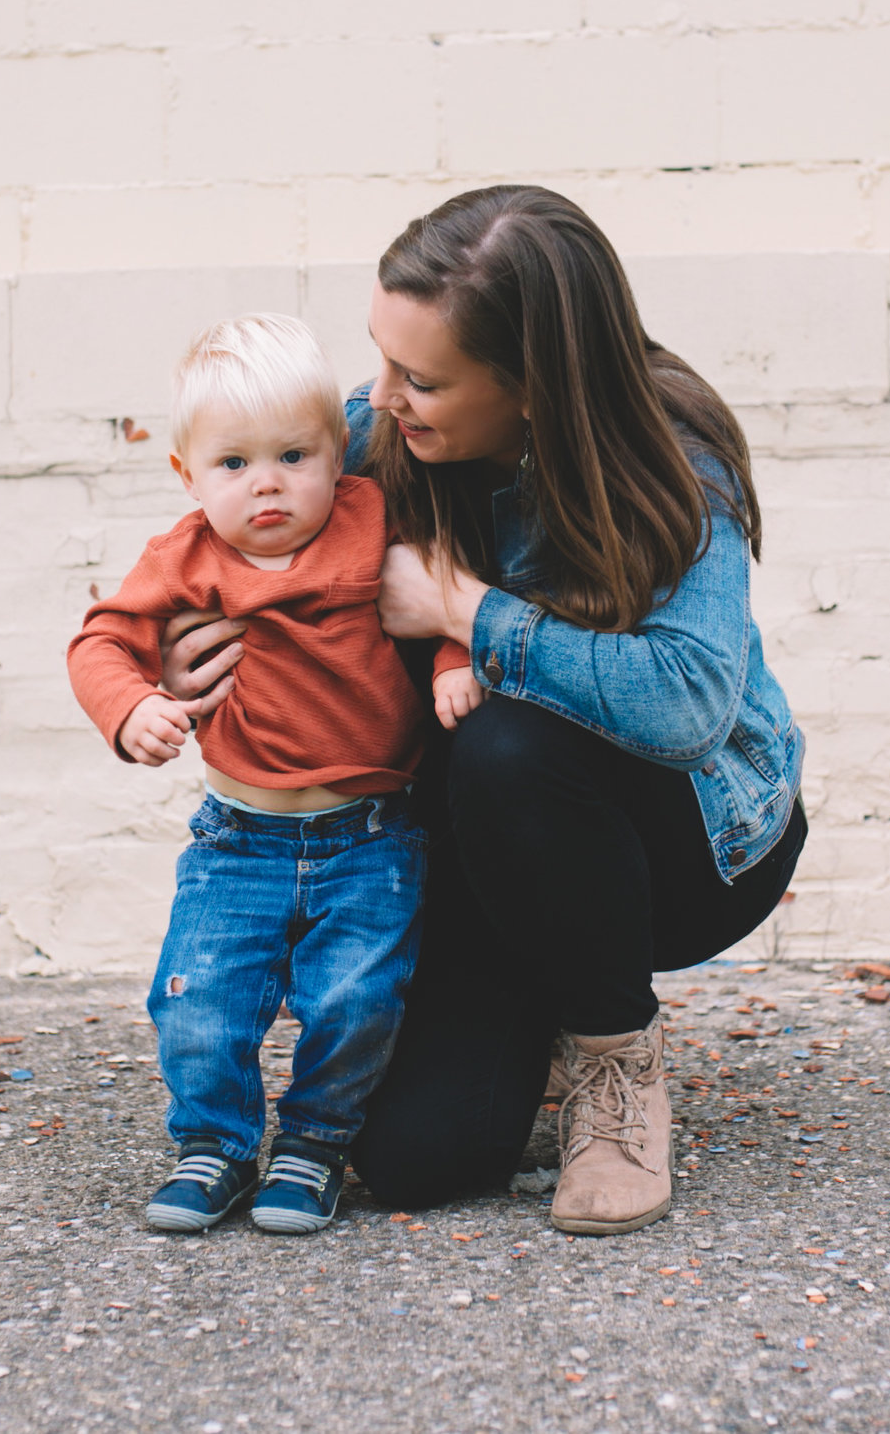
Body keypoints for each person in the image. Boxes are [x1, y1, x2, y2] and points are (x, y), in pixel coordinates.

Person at [157, 188, 807, 1236]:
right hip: (484, 844)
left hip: (687, 846)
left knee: (510, 741)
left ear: (534, 390)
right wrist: (183, 646)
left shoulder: (671, 457)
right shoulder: (380, 442)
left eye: (421, 380)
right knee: (414, 1157)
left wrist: (465, 607)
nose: (381, 399)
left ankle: (612, 1054)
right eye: (380, 359)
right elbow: (228, 521)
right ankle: (544, 984)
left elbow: (686, 702)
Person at [66, 314, 471, 1236]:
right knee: (197, 997)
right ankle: (211, 1146)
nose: (269, 484)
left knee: (356, 998)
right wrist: (130, 709)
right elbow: (101, 641)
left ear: (340, 452)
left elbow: (448, 586)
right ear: (187, 474)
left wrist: (455, 662)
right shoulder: (185, 558)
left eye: (294, 454)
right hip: (239, 836)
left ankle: (314, 1146)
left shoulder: (374, 522)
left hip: (367, 834)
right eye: (234, 463)